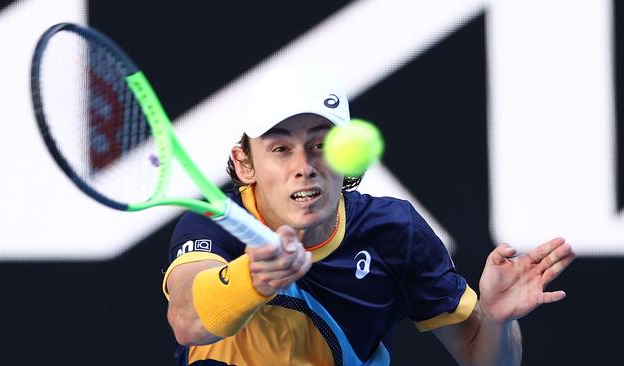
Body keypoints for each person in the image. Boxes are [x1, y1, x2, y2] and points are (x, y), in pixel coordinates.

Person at [162, 66, 576, 366]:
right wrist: (251, 279)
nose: (303, 165)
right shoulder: (212, 224)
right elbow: (187, 320)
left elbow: (485, 361)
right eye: (280, 148)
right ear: (245, 163)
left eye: (321, 144)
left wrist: (496, 321)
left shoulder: (393, 231)